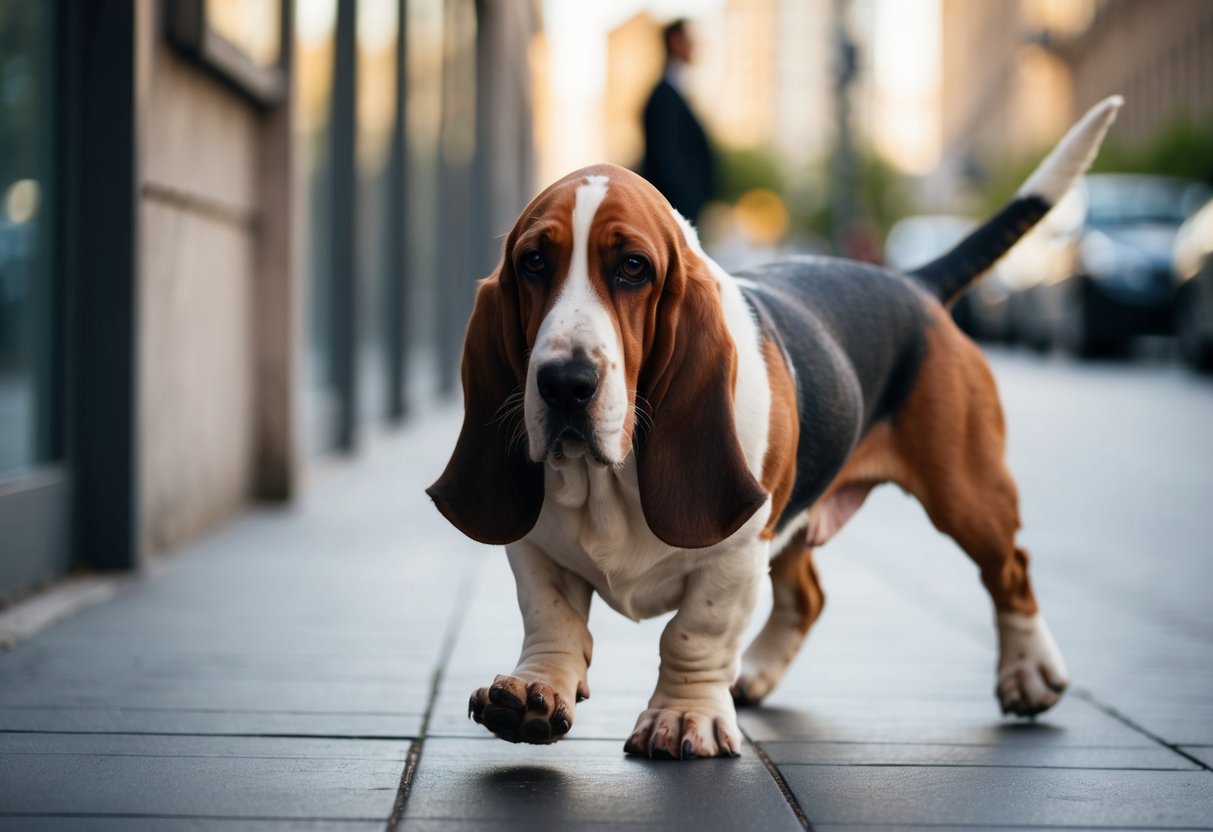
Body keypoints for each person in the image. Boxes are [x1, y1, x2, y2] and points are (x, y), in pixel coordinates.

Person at [641, 19, 715, 224]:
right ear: (675, 41)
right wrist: (684, 200)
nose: (695, 45)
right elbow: (666, 157)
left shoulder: (675, 92)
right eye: (690, 39)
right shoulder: (664, 96)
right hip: (675, 212)